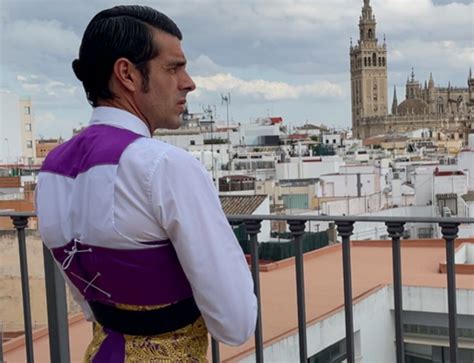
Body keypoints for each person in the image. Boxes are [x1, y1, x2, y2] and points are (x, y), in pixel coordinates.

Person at [36, 5, 257, 362]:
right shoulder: (166, 167)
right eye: (173, 68)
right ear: (127, 74)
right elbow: (235, 324)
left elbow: (92, 304)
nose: (189, 82)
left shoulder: (51, 170)